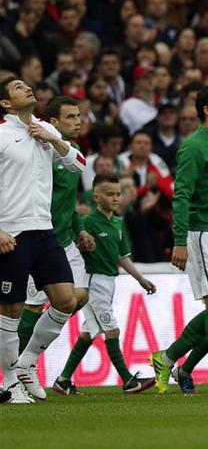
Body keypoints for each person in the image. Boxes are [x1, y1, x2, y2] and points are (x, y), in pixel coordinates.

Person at [0, 76, 85, 404]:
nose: (27, 88)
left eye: (27, 85)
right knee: (11, 309)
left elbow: (78, 165)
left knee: (68, 300)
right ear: (6, 103)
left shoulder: (42, 130)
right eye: (18, 87)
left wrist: (54, 138)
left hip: (45, 230)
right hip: (13, 232)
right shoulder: (2, 134)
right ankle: (8, 382)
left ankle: (25, 363)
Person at [150, 85, 208, 395]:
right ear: (207, 110)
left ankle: (173, 360)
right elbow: (181, 194)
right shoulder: (194, 147)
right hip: (202, 233)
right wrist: (181, 240)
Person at [52, 175, 157, 395]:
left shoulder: (118, 222)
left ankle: (62, 381)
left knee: (89, 333)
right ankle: (129, 381)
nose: (116, 198)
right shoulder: (88, 222)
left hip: (109, 282)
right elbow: (73, 249)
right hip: (92, 281)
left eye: (118, 194)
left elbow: (123, 256)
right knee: (112, 330)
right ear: (96, 196)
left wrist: (141, 279)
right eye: (110, 194)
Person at [17, 97, 95, 359]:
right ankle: (15, 369)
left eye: (78, 116)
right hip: (38, 239)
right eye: (71, 117)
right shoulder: (41, 153)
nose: (78, 121)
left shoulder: (71, 151)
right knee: (33, 306)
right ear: (52, 122)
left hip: (64, 239)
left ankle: (27, 360)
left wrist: (80, 228)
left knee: (79, 296)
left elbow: (68, 202)